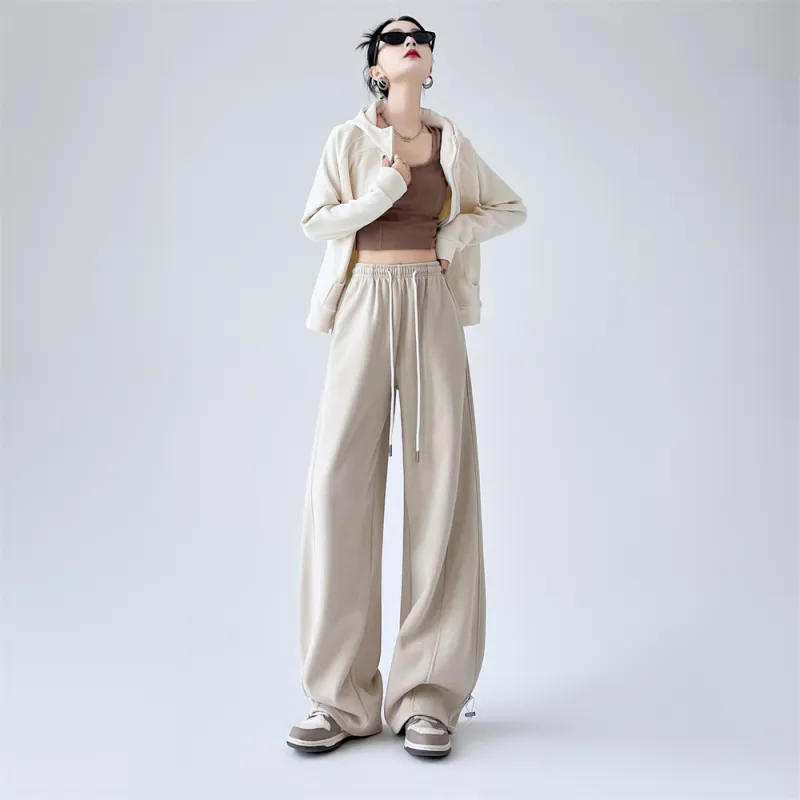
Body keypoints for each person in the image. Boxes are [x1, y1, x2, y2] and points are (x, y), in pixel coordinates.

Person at [287, 15, 527, 758]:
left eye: (417, 34)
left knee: (442, 484)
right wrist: (383, 189)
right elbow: (317, 222)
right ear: (376, 69)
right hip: (364, 301)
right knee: (339, 483)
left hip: (431, 304)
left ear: (428, 63)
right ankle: (338, 696)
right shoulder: (348, 140)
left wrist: (453, 234)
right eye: (392, 38)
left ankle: (428, 694)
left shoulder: (453, 142)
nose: (408, 40)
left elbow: (509, 207)